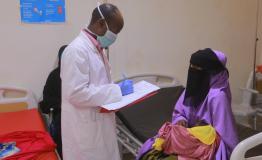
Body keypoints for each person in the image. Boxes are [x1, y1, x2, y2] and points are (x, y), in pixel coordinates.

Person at [137, 48, 238, 160]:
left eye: (197, 69)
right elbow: (179, 112)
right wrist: (181, 120)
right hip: (188, 137)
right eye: (191, 68)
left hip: (206, 145)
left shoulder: (218, 96)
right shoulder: (194, 87)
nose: (193, 73)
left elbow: (224, 135)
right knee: (150, 150)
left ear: (210, 72)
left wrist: (202, 130)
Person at [60, 3, 128, 160]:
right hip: (85, 132)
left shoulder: (97, 49)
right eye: (114, 32)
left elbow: (98, 86)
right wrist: (116, 90)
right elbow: (76, 93)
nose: (114, 38)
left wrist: (115, 92)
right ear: (101, 23)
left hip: (100, 124)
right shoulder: (76, 51)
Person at [39, 45, 67, 159]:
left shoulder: (82, 74)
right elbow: (47, 101)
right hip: (62, 115)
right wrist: (63, 104)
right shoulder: (54, 76)